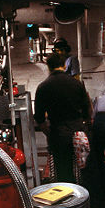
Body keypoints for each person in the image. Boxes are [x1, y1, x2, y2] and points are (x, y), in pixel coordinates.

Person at [34, 53, 91, 183]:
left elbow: (40, 118)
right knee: (84, 170)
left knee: (64, 173)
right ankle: (85, 197)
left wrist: (50, 134)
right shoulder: (77, 84)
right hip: (79, 133)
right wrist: (86, 127)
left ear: (48, 67)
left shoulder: (43, 87)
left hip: (58, 135)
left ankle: (69, 200)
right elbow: (87, 108)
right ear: (65, 65)